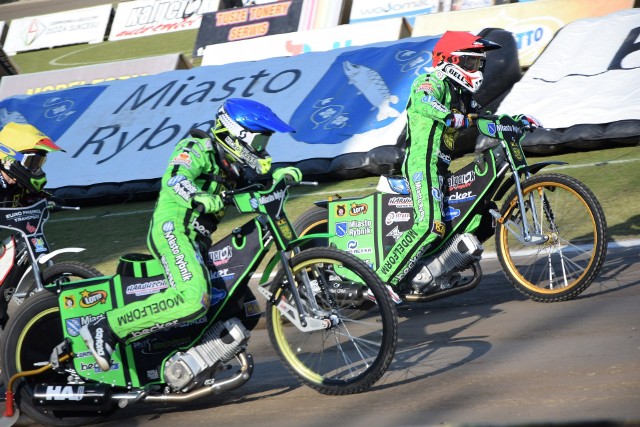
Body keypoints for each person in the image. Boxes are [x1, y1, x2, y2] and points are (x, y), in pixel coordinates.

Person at [79, 98, 301, 372]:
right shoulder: (196, 147)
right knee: (193, 297)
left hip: (199, 240)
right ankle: (106, 326)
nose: (261, 150)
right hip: (173, 229)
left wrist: (282, 174)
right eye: (259, 143)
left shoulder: (232, 165)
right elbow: (174, 179)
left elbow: (261, 184)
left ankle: (193, 361)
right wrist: (197, 195)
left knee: (245, 308)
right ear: (236, 136)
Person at [376, 31, 540, 289]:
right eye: (471, 63)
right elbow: (424, 100)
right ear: (450, 60)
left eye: (479, 64)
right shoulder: (431, 80)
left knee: (480, 218)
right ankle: (381, 283)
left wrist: (515, 121)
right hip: (422, 163)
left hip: (440, 167)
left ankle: (439, 270)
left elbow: (485, 122)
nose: (477, 69)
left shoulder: (462, 96)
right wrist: (450, 116)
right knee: (430, 226)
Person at [0, 122, 63, 207]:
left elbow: (39, 197)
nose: (36, 168)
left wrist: (49, 200)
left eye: (40, 162)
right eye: (32, 161)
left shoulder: (20, 185)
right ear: (9, 157)